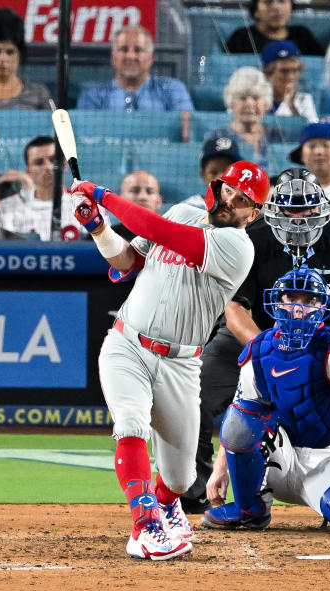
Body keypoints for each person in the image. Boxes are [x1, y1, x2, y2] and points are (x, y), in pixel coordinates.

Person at [69, 161, 271, 560]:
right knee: (130, 423)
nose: (231, 199)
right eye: (229, 189)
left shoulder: (238, 246)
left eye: (243, 198)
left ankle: (164, 503)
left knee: (181, 478)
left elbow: (158, 231)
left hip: (181, 363)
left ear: (255, 212)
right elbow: (128, 262)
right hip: (127, 344)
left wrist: (103, 196)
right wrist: (98, 228)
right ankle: (144, 527)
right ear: (217, 185)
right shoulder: (182, 211)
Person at [181, 169, 330, 515]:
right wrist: (273, 351)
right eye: (290, 210)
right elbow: (234, 308)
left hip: (325, 337)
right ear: (271, 208)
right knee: (196, 388)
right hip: (256, 333)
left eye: (305, 210)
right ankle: (192, 488)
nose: (298, 219)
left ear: (323, 208)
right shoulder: (248, 238)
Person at [202, 267, 330, 533]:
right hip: (278, 460)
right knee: (241, 418)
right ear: (277, 302)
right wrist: (220, 470)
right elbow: (239, 419)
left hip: (327, 460)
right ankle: (250, 510)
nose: (299, 309)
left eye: (310, 301)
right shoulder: (259, 352)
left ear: (323, 306)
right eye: (292, 298)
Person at [77, 26, 194, 141]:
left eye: (138, 50)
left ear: (150, 58)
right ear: (113, 57)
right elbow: (85, 139)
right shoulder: (93, 96)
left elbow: (187, 134)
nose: (131, 56)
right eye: (123, 49)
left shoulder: (173, 89)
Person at [203, 67, 287, 170]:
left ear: (266, 103)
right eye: (242, 98)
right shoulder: (216, 138)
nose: (250, 104)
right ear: (231, 102)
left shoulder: (280, 138)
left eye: (256, 98)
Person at [0, 136, 79, 241]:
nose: (48, 167)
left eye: (53, 160)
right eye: (39, 162)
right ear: (28, 170)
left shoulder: (85, 206)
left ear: (65, 164)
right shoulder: (7, 208)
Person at [224, 0, 324, 56]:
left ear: (291, 7)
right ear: (256, 10)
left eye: (282, 1)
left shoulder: (302, 35)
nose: (276, 7)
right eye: (268, 2)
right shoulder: (242, 37)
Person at [287, 122, 330, 212]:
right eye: (312, 146)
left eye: (326, 145)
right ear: (302, 155)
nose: (319, 152)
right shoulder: (287, 189)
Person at [261, 41, 318, 122]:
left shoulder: (304, 99)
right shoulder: (254, 98)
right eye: (284, 71)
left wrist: (292, 107)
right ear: (267, 73)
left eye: (295, 70)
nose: (291, 77)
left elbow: (313, 132)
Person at [181, 137, 243, 209]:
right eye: (214, 173)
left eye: (227, 172)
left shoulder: (252, 210)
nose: (221, 178)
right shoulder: (187, 208)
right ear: (203, 174)